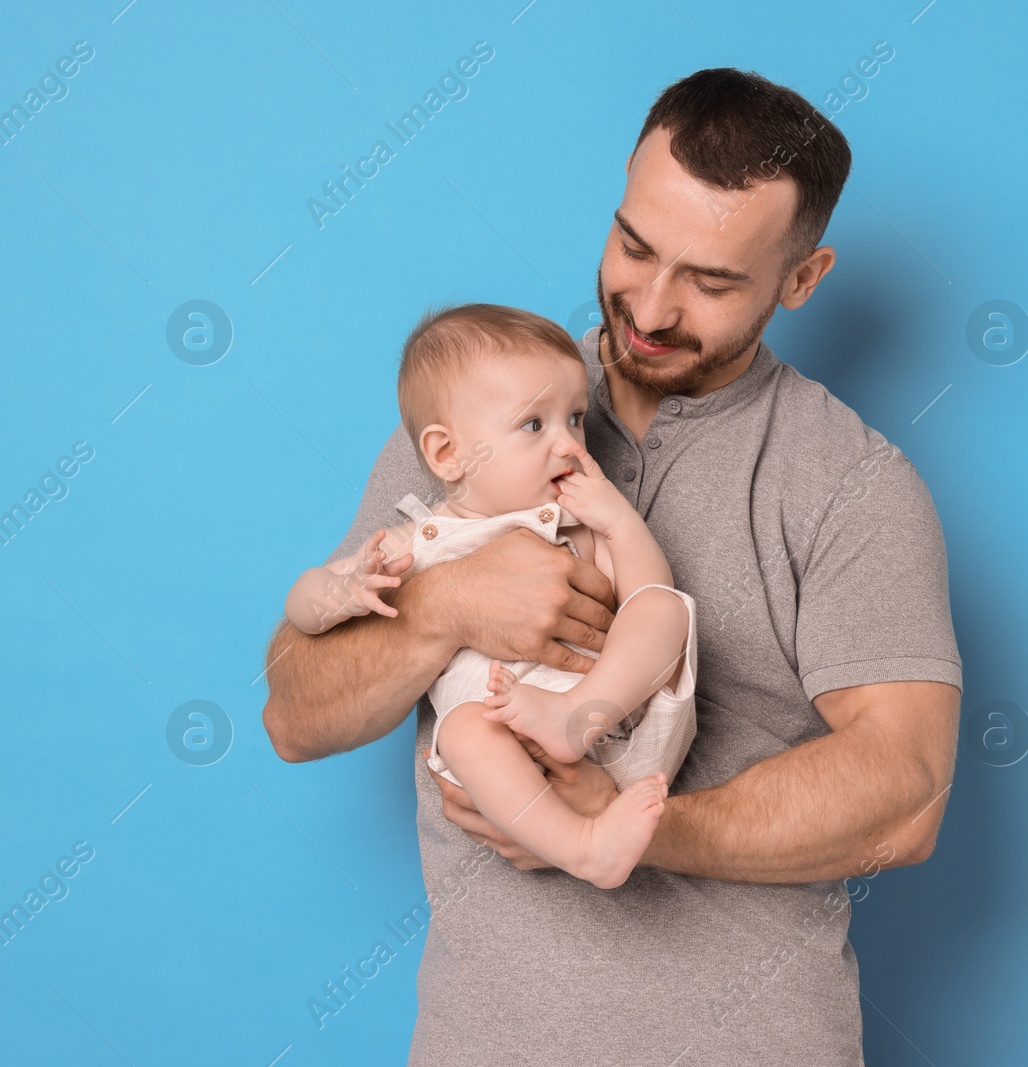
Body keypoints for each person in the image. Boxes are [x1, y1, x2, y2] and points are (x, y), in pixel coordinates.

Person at [262, 67, 963, 1066]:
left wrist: (626, 826)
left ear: (800, 280)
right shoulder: (472, 420)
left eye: (713, 280)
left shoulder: (854, 485)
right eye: (634, 245)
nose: (651, 304)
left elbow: (906, 794)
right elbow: (294, 714)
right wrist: (443, 610)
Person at [282, 304, 697, 890]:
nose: (570, 446)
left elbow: (645, 592)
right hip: (512, 747)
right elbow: (302, 605)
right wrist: (342, 591)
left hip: (609, 720)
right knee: (463, 732)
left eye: (575, 418)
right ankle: (585, 848)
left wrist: (621, 523)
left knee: (665, 605)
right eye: (535, 425)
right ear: (447, 453)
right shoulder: (415, 542)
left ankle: (571, 722)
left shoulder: (574, 523)